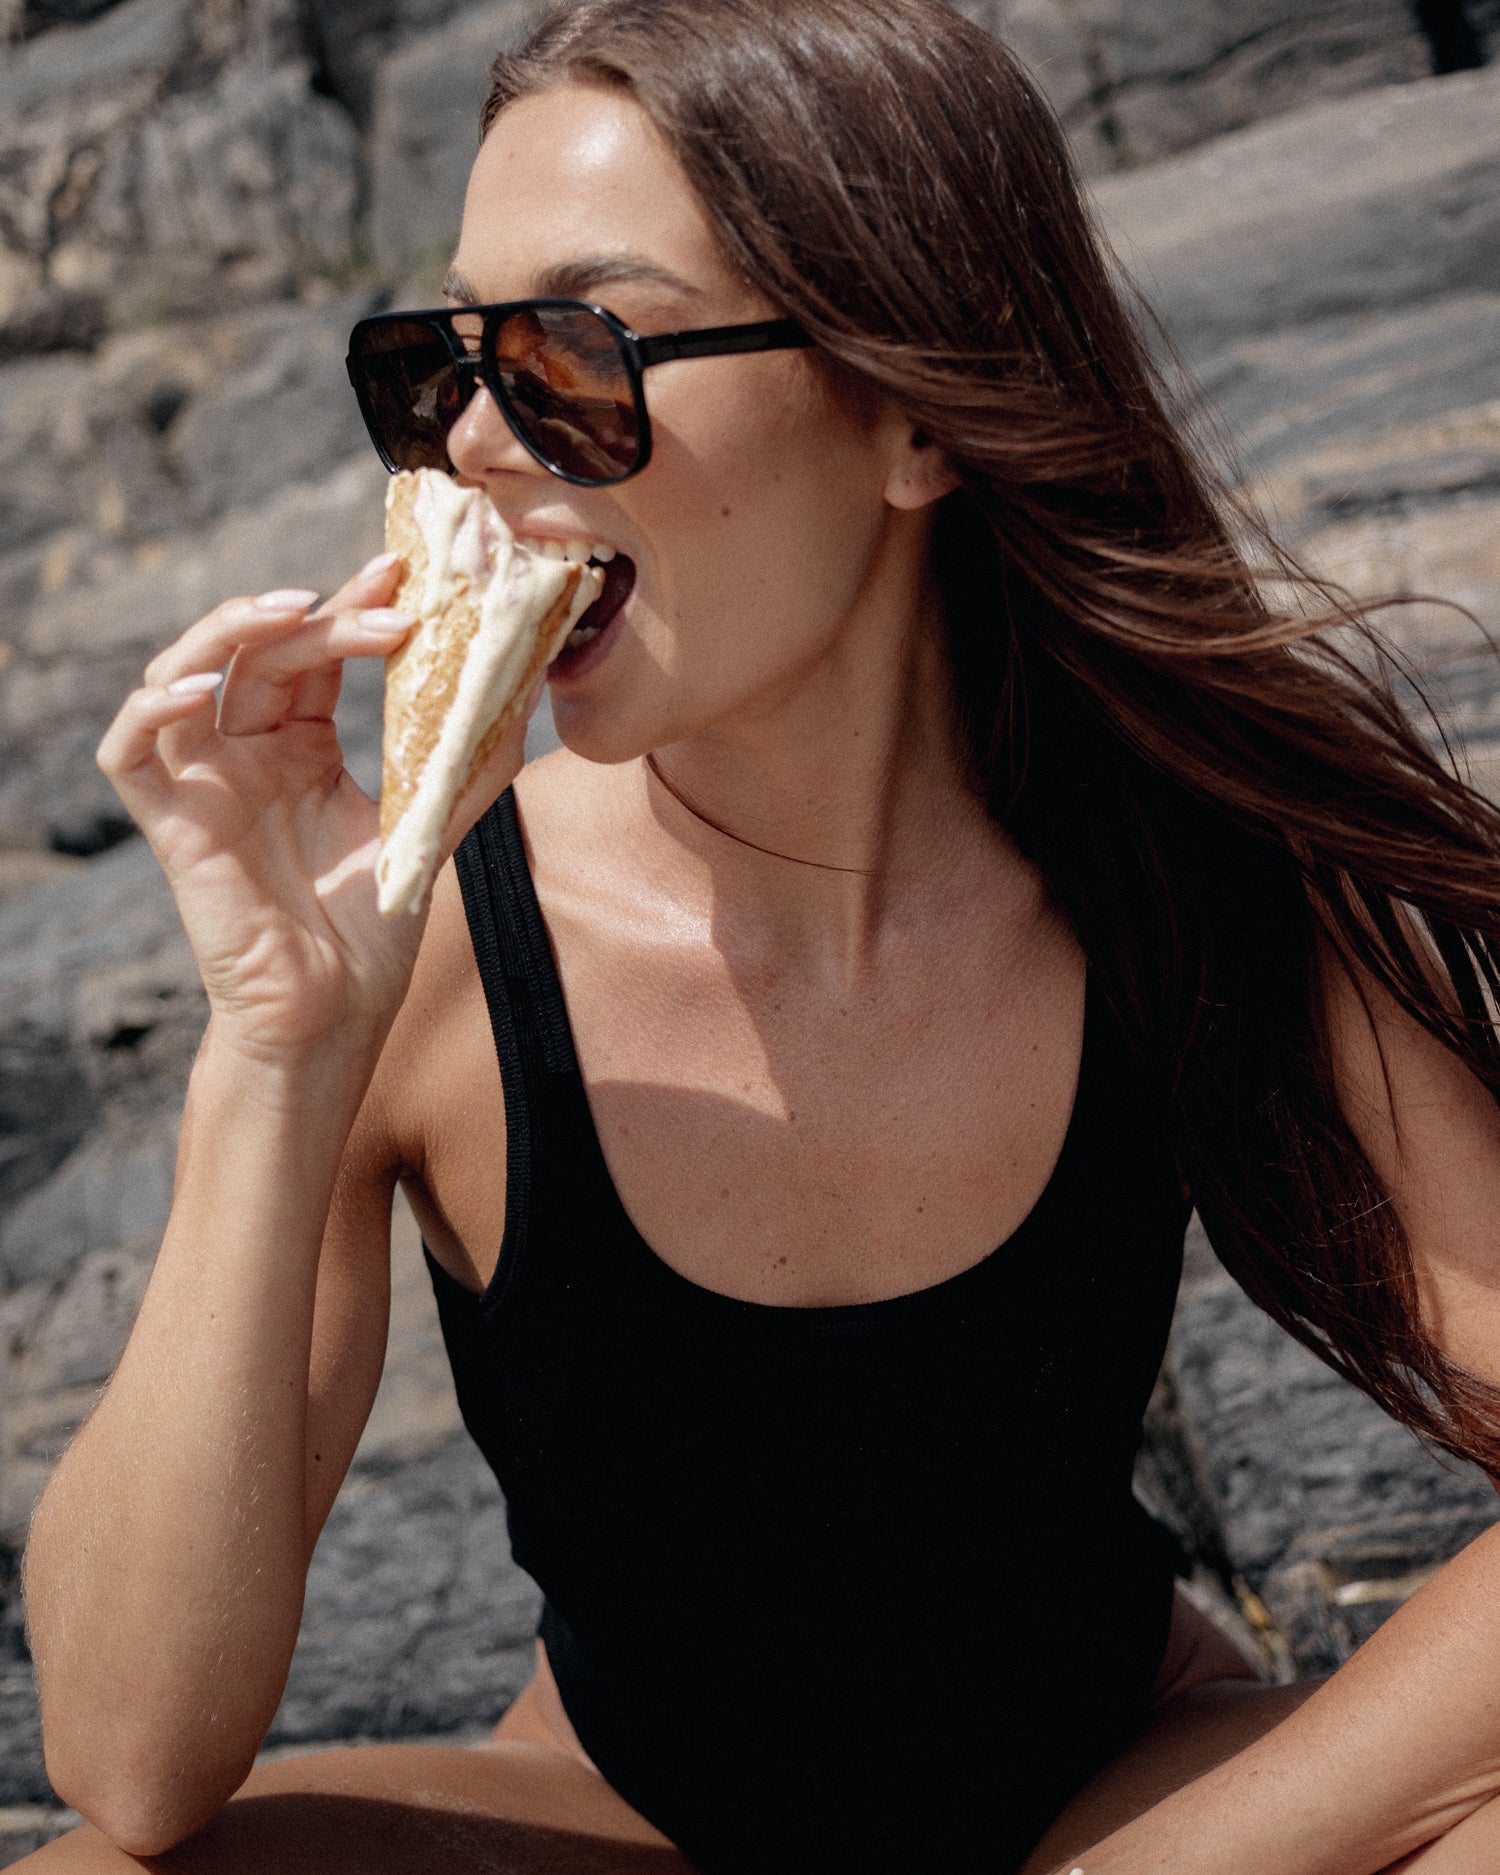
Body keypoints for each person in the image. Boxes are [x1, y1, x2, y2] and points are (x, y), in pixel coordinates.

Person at [18, 1, 1500, 1869]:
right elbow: (129, 1758)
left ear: (910, 418)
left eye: (576, 351)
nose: (475, 441)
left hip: (1116, 1791)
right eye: (440, 363)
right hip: (626, 1823)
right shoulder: (435, 941)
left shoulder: (1188, 890)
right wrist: (273, 1048)